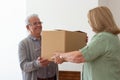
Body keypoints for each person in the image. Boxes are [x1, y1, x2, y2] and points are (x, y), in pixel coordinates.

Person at [51, 6, 120, 80]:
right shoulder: (111, 37)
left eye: (89, 20)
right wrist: (64, 59)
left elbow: (79, 57)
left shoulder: (103, 37)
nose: (89, 22)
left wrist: (61, 55)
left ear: (97, 21)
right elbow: (88, 57)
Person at [18, 14, 58, 80]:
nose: (39, 25)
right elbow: (23, 66)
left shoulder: (49, 40)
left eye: (39, 23)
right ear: (28, 27)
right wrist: (37, 63)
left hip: (53, 77)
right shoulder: (23, 44)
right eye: (35, 23)